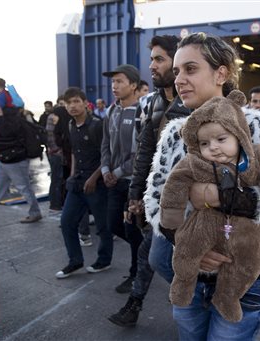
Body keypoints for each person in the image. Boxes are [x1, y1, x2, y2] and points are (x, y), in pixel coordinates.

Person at [144, 32, 260, 339]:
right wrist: (187, 244)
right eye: (176, 72)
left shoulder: (254, 124)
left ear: (221, 73)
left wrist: (217, 197)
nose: (179, 79)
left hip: (245, 275)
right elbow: (155, 202)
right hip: (191, 272)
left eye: (190, 69)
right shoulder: (175, 132)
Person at [160, 91, 260, 322]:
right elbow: (175, 182)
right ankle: (183, 283)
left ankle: (227, 297)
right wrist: (172, 213)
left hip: (247, 229)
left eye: (221, 140)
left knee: (248, 266)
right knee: (187, 251)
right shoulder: (194, 162)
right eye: (204, 143)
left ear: (238, 135)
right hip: (204, 223)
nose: (213, 147)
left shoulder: (256, 155)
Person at [109, 34, 190, 327]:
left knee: (157, 257)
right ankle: (136, 305)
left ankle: (195, 295)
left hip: (190, 202)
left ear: (176, 63)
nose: (152, 66)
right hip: (158, 196)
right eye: (151, 59)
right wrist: (136, 194)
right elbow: (145, 150)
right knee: (150, 254)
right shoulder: (154, 102)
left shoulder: (194, 101)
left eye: (159, 59)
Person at [55, 87, 113, 279]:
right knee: (66, 222)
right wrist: (71, 175)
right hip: (78, 182)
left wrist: (94, 177)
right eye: (68, 102)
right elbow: (73, 151)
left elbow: (107, 155)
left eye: (76, 101)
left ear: (85, 103)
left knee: (103, 226)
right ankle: (75, 261)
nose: (72, 106)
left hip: (97, 183)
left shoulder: (97, 125)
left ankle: (104, 260)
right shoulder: (71, 125)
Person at [100, 64, 145, 293]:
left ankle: (136, 273)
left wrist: (116, 173)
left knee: (131, 229)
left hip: (130, 182)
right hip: (113, 180)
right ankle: (145, 252)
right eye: (113, 82)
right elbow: (105, 144)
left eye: (119, 81)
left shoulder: (140, 113)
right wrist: (106, 168)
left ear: (134, 85)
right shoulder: (111, 111)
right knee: (113, 225)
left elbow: (139, 153)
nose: (114, 86)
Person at [0, 94, 42, 224]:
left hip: (15, 159)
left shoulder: (9, 117)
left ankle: (35, 212)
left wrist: (0, 116)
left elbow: (7, 132)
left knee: (24, 187)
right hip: (4, 159)